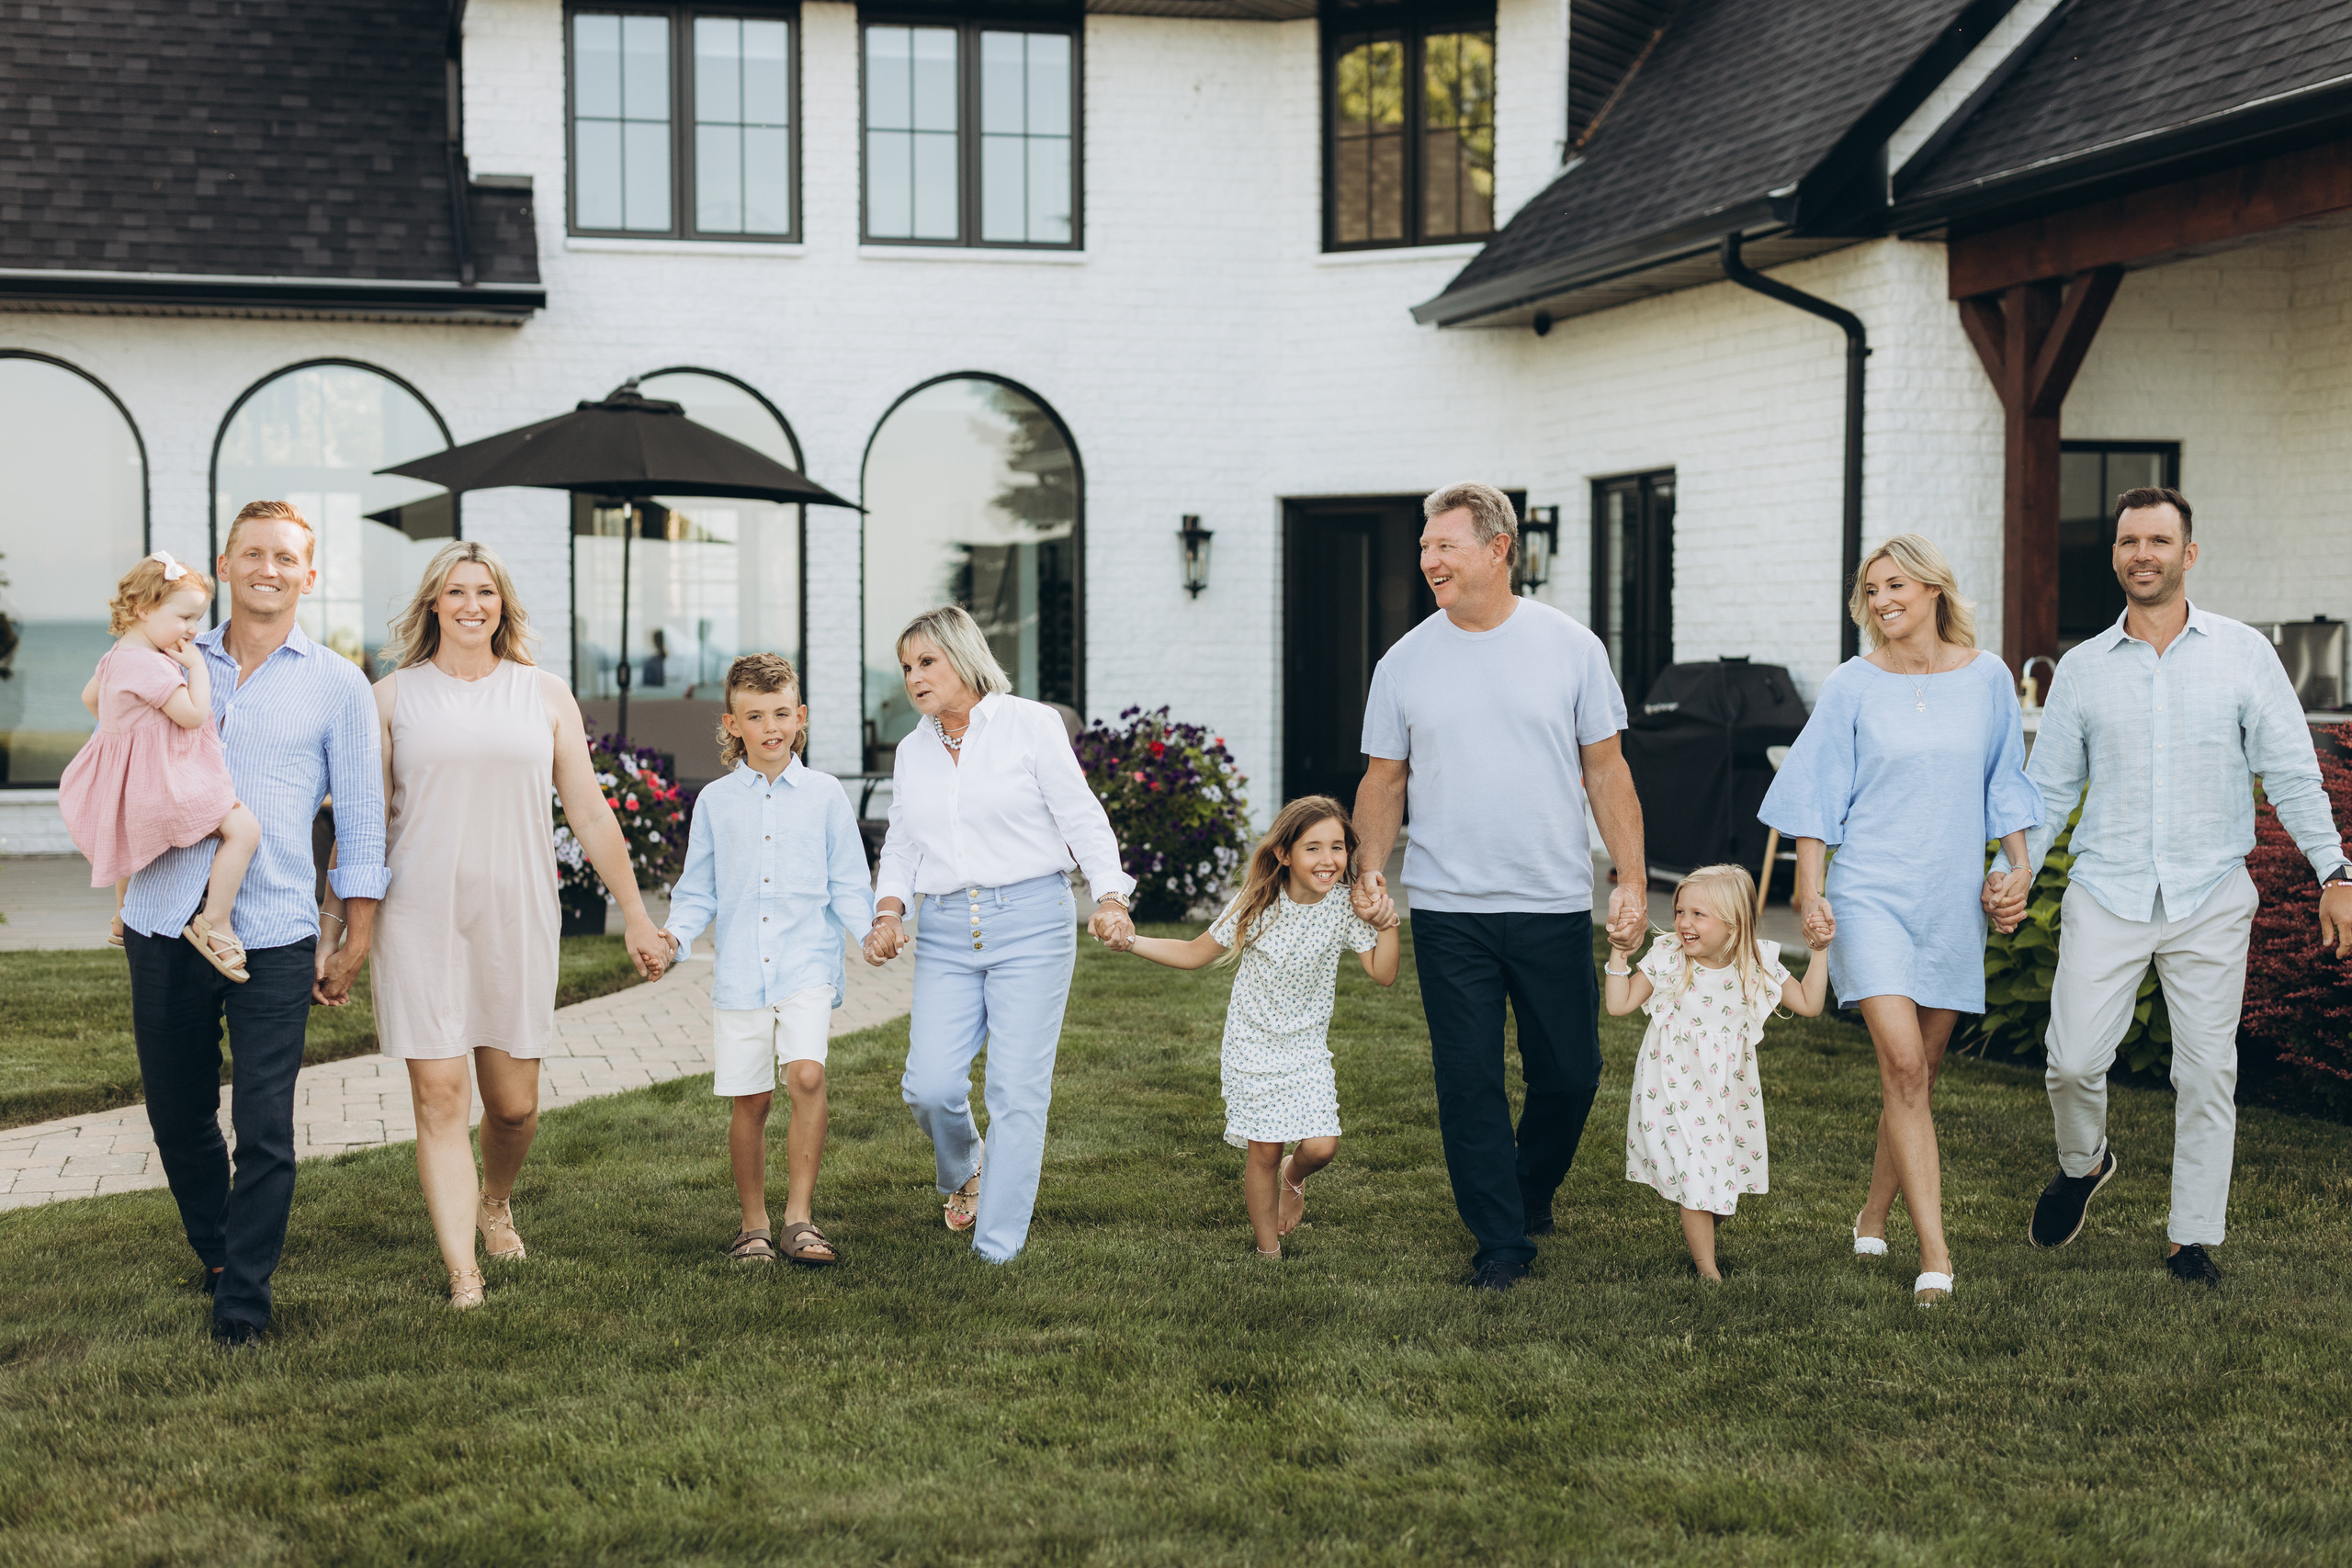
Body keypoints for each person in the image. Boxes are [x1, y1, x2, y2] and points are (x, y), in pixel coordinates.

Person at [1999, 488, 2351, 1288]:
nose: (2143, 554)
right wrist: (2010, 871)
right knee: (2072, 1061)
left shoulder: (2243, 655)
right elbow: (2046, 792)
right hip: (2107, 890)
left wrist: (2336, 871)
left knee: (2206, 1072)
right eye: (2129, 541)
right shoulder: (2084, 669)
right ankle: (2083, 1163)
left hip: (2210, 896)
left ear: (2189, 554)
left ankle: (2189, 1239)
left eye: (2159, 540)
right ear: (2116, 555)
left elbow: (2292, 773)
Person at [1351, 481, 1649, 1292]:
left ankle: (1526, 1190)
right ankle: (1501, 1241)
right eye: (1424, 547)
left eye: (1444, 545)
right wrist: (1369, 869)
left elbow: (1606, 769)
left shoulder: (1571, 647)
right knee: (1469, 1077)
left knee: (1571, 1072)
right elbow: (1384, 779)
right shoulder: (1404, 661)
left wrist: (1629, 878)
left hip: (1552, 900)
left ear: (1498, 548)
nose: (1428, 560)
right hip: (1450, 908)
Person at [358, 540, 669, 1311]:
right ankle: (464, 1272)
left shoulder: (542, 693)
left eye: (486, 592)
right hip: (418, 918)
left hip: (516, 914)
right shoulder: (392, 698)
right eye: (457, 591)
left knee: (514, 1106)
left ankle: (496, 1197)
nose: (472, 605)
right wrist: (345, 927)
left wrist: (635, 914)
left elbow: (591, 811)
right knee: (440, 1099)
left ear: (503, 605)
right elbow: (365, 824)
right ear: (434, 603)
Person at [119, 501, 389, 1347]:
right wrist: (120, 892)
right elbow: (122, 770)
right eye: (253, 554)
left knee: (265, 1124)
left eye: (287, 557)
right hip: (162, 915)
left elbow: (364, 815)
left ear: (310, 575)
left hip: (272, 928)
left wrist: (357, 931)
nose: (269, 568)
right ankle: (220, 1254)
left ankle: (244, 1307)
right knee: (176, 1111)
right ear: (226, 564)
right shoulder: (167, 656)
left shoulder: (338, 682)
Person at [1759, 532, 2039, 1304]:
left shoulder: (1987, 678)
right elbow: (1817, 793)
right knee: (1906, 1067)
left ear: (1934, 590)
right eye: (1872, 590)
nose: (1882, 601)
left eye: (1896, 587)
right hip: (1871, 893)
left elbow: (2004, 783)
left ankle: (1873, 1211)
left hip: (1951, 900)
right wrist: (1811, 891)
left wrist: (2016, 870)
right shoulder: (1852, 684)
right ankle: (1936, 1257)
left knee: (1919, 1071)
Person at [861, 604, 1136, 1263]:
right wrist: (889, 910)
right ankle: (966, 1168)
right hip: (948, 927)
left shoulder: (1029, 725)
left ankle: (997, 1246)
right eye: (906, 667)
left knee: (1015, 1091)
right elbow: (902, 839)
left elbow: (1081, 815)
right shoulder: (912, 748)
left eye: (927, 661)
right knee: (927, 1084)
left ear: (964, 656)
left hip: (1033, 921)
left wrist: (1111, 896)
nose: (915, 677)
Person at [659, 653, 873, 1267]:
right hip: (741, 974)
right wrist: (674, 936)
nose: (771, 726)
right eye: (756, 715)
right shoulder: (717, 803)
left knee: (806, 1074)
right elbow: (697, 888)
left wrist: (871, 933)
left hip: (807, 962)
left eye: (782, 713)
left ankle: (798, 1219)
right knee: (751, 1098)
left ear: (800, 716)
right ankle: (752, 1224)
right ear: (733, 723)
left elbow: (850, 883)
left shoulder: (826, 795)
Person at [1122, 795, 1402, 1258]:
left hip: (1307, 1048)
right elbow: (1194, 954)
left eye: (1337, 847)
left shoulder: (1343, 907)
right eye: (1313, 848)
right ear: (1284, 854)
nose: (1328, 859)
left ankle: (1295, 1177)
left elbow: (1384, 973)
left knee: (1322, 1147)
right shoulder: (1258, 905)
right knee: (1265, 1150)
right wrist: (1131, 941)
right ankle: (1267, 1252)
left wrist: (1385, 922)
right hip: (1253, 1047)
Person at [1606, 864, 1831, 1280]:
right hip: (1672, 1086)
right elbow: (1619, 1005)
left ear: (1733, 925)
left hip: (1727, 1091)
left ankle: (1702, 1237)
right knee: (1697, 1173)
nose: (1683, 923)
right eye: (1680, 912)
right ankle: (1708, 1273)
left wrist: (1819, 952)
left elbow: (1810, 1003)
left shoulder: (1754, 961)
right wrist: (1619, 955)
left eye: (1697, 915)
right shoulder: (1670, 958)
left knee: (1719, 1184)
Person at [60, 550, 262, 976]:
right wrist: (197, 668)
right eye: (185, 618)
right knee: (244, 830)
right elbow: (190, 715)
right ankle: (215, 923)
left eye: (197, 619)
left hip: (127, 785)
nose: (192, 629)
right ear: (143, 608)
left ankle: (122, 917)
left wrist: (130, 734)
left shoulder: (115, 657)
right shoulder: (154, 666)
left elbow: (90, 699)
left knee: (127, 844)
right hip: (165, 783)